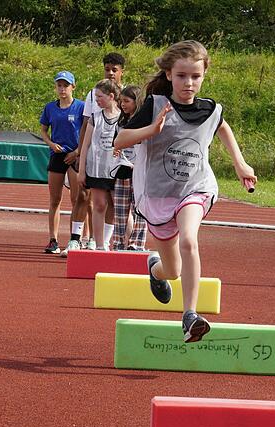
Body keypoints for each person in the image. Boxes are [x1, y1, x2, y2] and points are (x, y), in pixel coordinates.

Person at [114, 40, 257, 342]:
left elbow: (222, 127)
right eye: (181, 76)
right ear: (168, 74)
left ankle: (190, 315)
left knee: (189, 239)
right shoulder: (154, 105)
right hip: (157, 196)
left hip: (195, 188)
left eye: (195, 76)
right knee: (173, 271)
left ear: (204, 75)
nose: (188, 83)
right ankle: (155, 270)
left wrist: (240, 163)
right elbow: (120, 140)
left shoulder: (210, 109)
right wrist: (151, 131)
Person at [78, 52, 126, 251]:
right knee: (98, 204)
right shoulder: (95, 116)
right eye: (108, 69)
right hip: (96, 167)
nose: (111, 73)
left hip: (117, 167)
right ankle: (98, 245)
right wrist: (81, 168)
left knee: (117, 205)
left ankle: (110, 241)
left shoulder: (125, 112)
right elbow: (87, 141)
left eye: (114, 69)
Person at [39, 70, 86, 254]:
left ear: (73, 87)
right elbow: (43, 130)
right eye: (59, 85)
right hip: (57, 154)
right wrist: (51, 143)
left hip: (75, 155)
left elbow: (86, 131)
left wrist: (77, 152)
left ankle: (77, 238)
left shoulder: (81, 107)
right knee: (55, 199)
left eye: (65, 85)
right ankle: (53, 239)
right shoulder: (50, 107)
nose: (62, 89)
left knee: (78, 199)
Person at [112, 85, 148, 251]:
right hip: (123, 170)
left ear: (137, 101)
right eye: (121, 101)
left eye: (126, 101)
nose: (123, 105)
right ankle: (119, 242)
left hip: (141, 171)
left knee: (139, 209)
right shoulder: (121, 123)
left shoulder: (145, 122)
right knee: (120, 210)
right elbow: (115, 145)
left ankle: (136, 243)